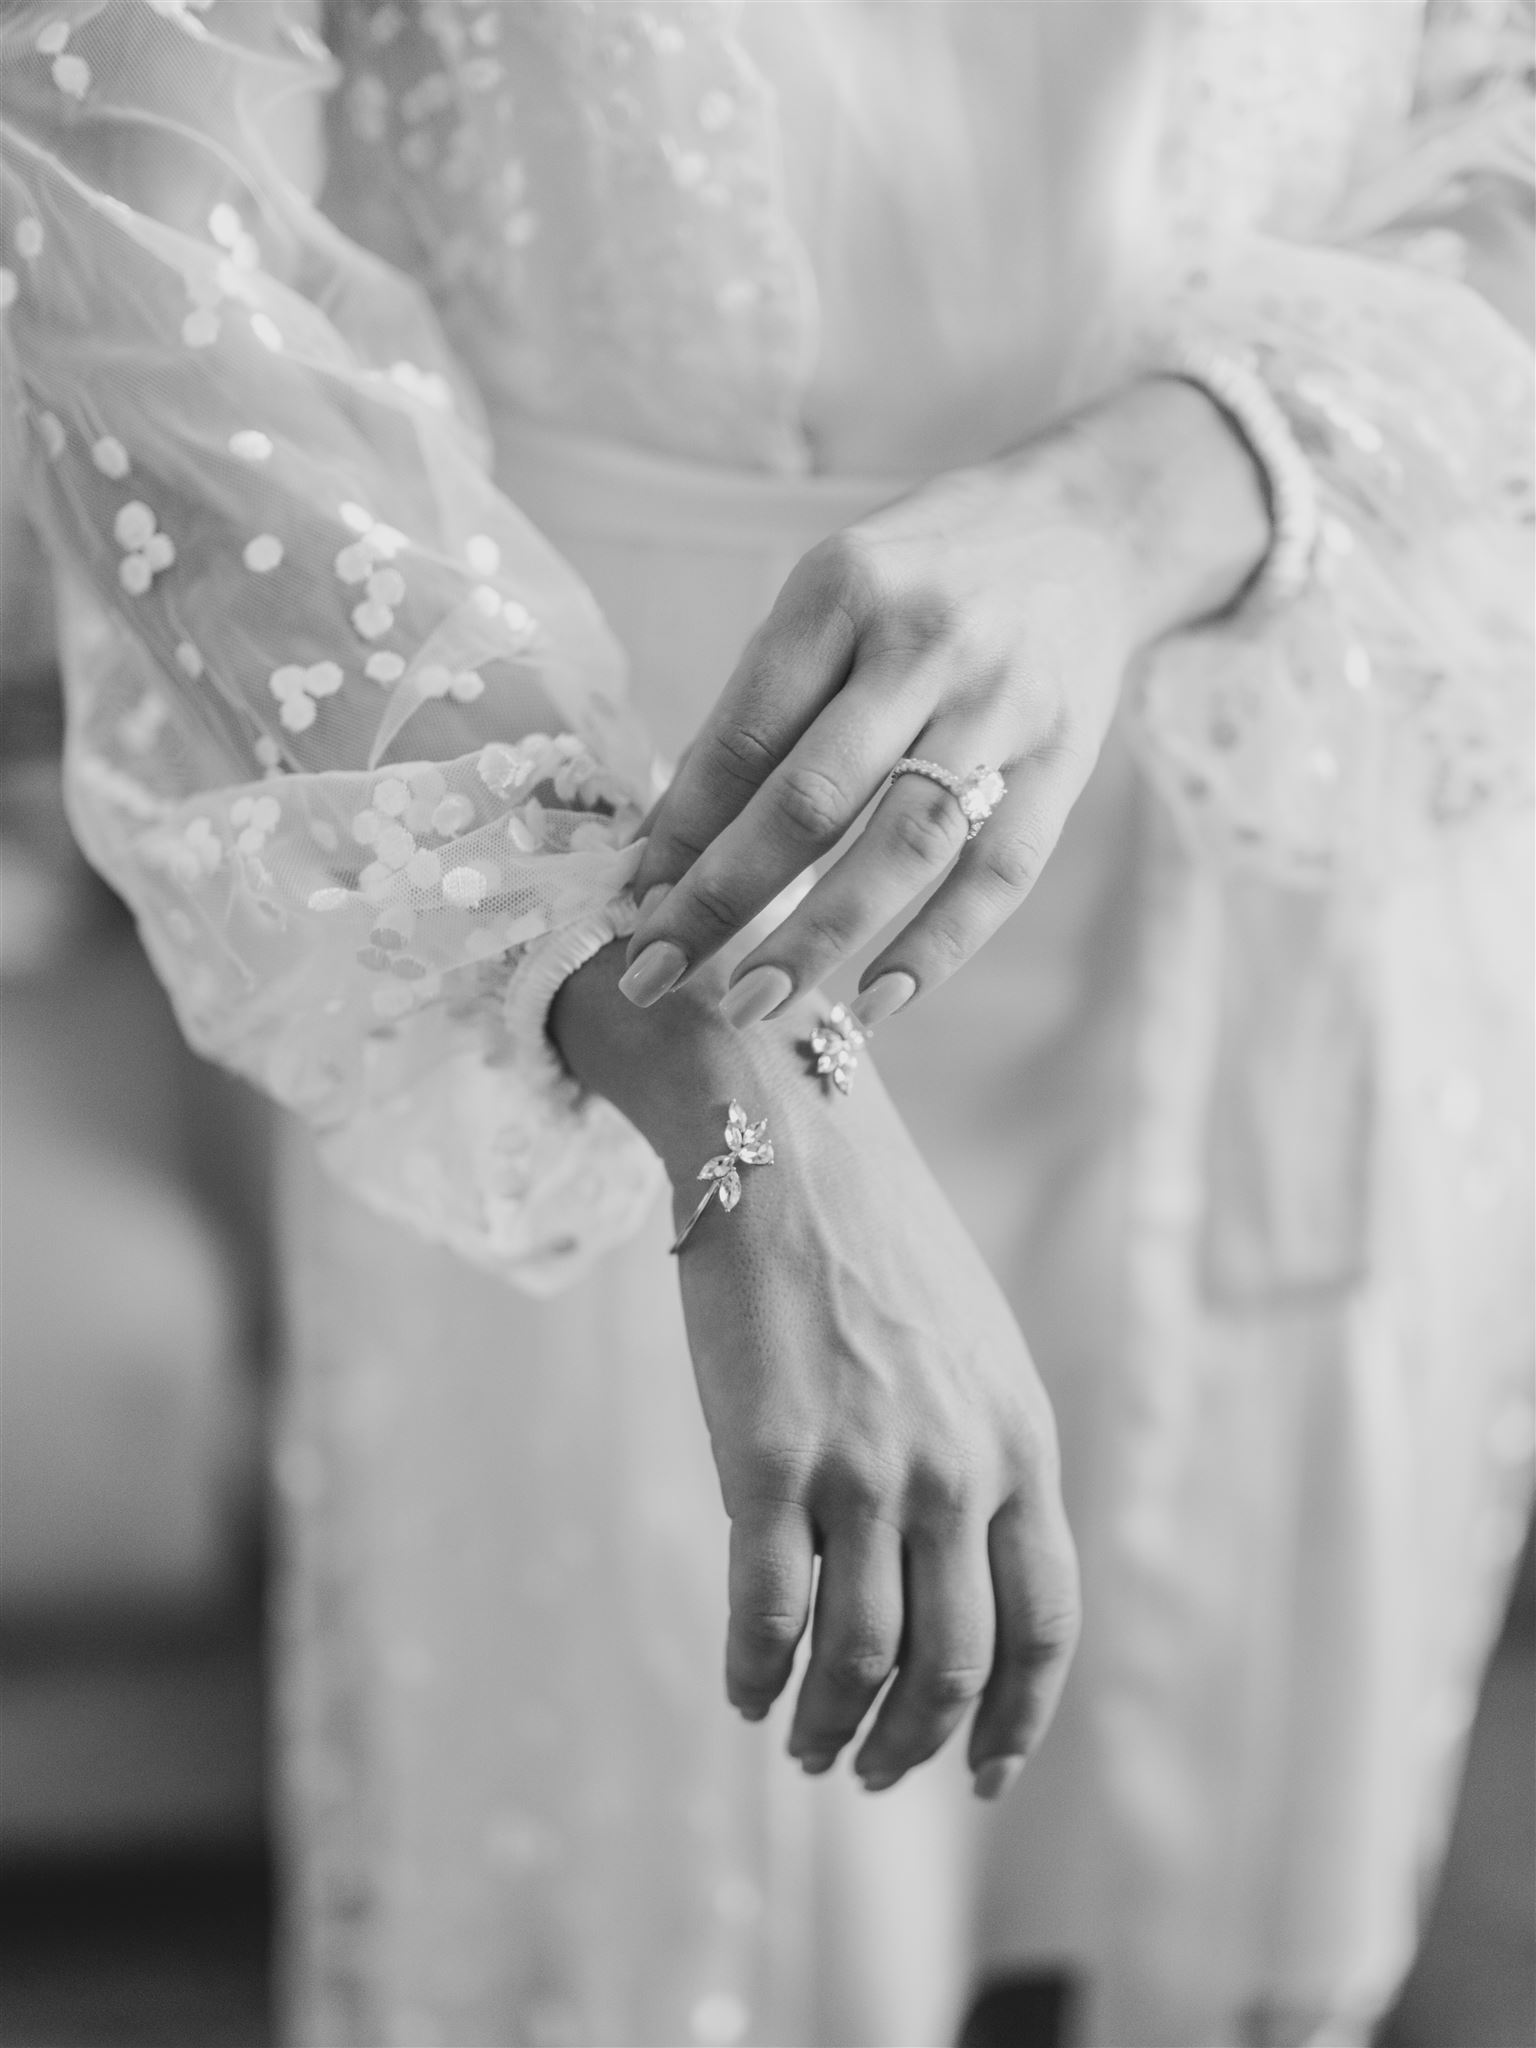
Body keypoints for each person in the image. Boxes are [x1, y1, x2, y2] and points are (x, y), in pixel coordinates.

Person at [1, 4, 1529, 2045]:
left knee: (1233, 1852)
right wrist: (730, 1088)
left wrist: (1150, 496)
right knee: (671, 1914)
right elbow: (138, 296)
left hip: (1290, 794)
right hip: (550, 895)